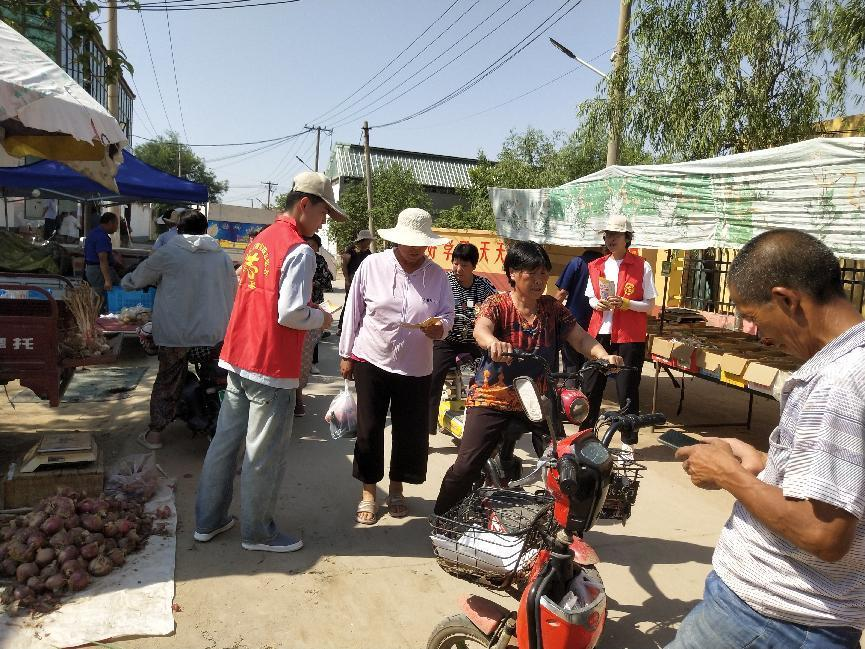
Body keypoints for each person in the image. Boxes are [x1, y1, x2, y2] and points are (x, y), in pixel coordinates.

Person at [668, 229, 865, 649]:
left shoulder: (838, 383)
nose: (759, 333)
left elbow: (824, 534)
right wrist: (763, 465)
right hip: (802, 616)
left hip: (773, 617)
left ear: (788, 300)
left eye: (754, 316)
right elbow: (842, 487)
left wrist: (729, 476)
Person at [194, 171, 345, 553]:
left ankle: (208, 521)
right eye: (324, 213)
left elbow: (259, 296)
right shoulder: (299, 249)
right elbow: (291, 313)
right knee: (264, 453)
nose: (324, 222)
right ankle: (257, 532)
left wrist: (305, 310)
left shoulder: (262, 239)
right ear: (305, 205)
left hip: (238, 355)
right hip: (270, 364)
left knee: (224, 444)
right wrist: (322, 317)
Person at [434, 241, 623, 516]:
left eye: (544, 274)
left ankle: (564, 524)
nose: (539, 281)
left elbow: (580, 338)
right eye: (531, 273)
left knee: (565, 460)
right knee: (466, 465)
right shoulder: (496, 303)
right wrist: (493, 343)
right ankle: (443, 517)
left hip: (538, 400)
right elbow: (481, 330)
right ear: (512, 273)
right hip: (492, 397)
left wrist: (603, 356)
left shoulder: (553, 308)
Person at [339, 209, 454, 525]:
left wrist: (439, 329)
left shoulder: (438, 275)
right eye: (408, 243)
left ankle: (397, 488)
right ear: (397, 240)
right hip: (372, 357)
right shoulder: (372, 266)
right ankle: (368, 492)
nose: (415, 250)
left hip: (416, 365)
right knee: (370, 427)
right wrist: (346, 354)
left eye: (421, 244)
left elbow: (448, 315)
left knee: (409, 431)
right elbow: (354, 311)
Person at [121, 211, 236, 449]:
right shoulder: (222, 256)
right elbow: (233, 291)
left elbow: (137, 279)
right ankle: (217, 428)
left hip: (176, 336)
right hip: (214, 335)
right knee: (215, 379)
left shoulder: (169, 253)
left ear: (178, 230)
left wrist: (125, 281)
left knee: (168, 380)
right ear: (206, 230)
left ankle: (155, 435)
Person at [583, 216, 656, 438]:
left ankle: (627, 442)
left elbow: (649, 305)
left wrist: (626, 303)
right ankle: (586, 435)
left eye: (616, 235)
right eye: (608, 235)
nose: (610, 239)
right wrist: (598, 303)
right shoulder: (596, 265)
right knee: (591, 387)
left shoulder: (642, 265)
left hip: (629, 336)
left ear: (627, 238)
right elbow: (590, 298)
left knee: (627, 390)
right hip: (600, 334)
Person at [427, 242, 497, 437]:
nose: (458, 269)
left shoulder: (484, 286)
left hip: (474, 341)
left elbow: (497, 307)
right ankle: (427, 429)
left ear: (474, 266)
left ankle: (486, 424)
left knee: (489, 377)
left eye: (464, 265)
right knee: (432, 379)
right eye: (455, 263)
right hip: (447, 340)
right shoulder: (444, 283)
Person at [295, 233, 334, 416]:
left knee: (307, 348)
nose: (308, 246)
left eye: (312, 244)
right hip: (301, 309)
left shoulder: (318, 260)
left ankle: (298, 398)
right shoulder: (296, 255)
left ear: (317, 246)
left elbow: (328, 281)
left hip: (313, 304)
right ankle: (296, 398)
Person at [555, 247, 604, 374]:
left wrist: (549, 311)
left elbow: (561, 293)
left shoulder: (577, 262)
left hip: (574, 320)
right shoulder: (607, 265)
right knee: (590, 362)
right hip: (598, 323)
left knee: (571, 361)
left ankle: (571, 390)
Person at [337, 229, 373, 334]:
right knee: (349, 302)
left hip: (364, 281)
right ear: (362, 240)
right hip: (352, 280)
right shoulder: (351, 250)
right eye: (368, 241)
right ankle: (342, 327)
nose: (369, 243)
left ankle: (356, 326)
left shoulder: (367, 252)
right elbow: (344, 266)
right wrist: (347, 280)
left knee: (361, 303)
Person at [83, 212, 121, 305]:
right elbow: (102, 259)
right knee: (101, 299)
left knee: (99, 297)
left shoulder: (93, 233)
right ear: (110, 223)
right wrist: (107, 280)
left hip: (93, 269)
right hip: (99, 271)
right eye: (116, 224)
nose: (116, 228)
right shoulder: (101, 237)